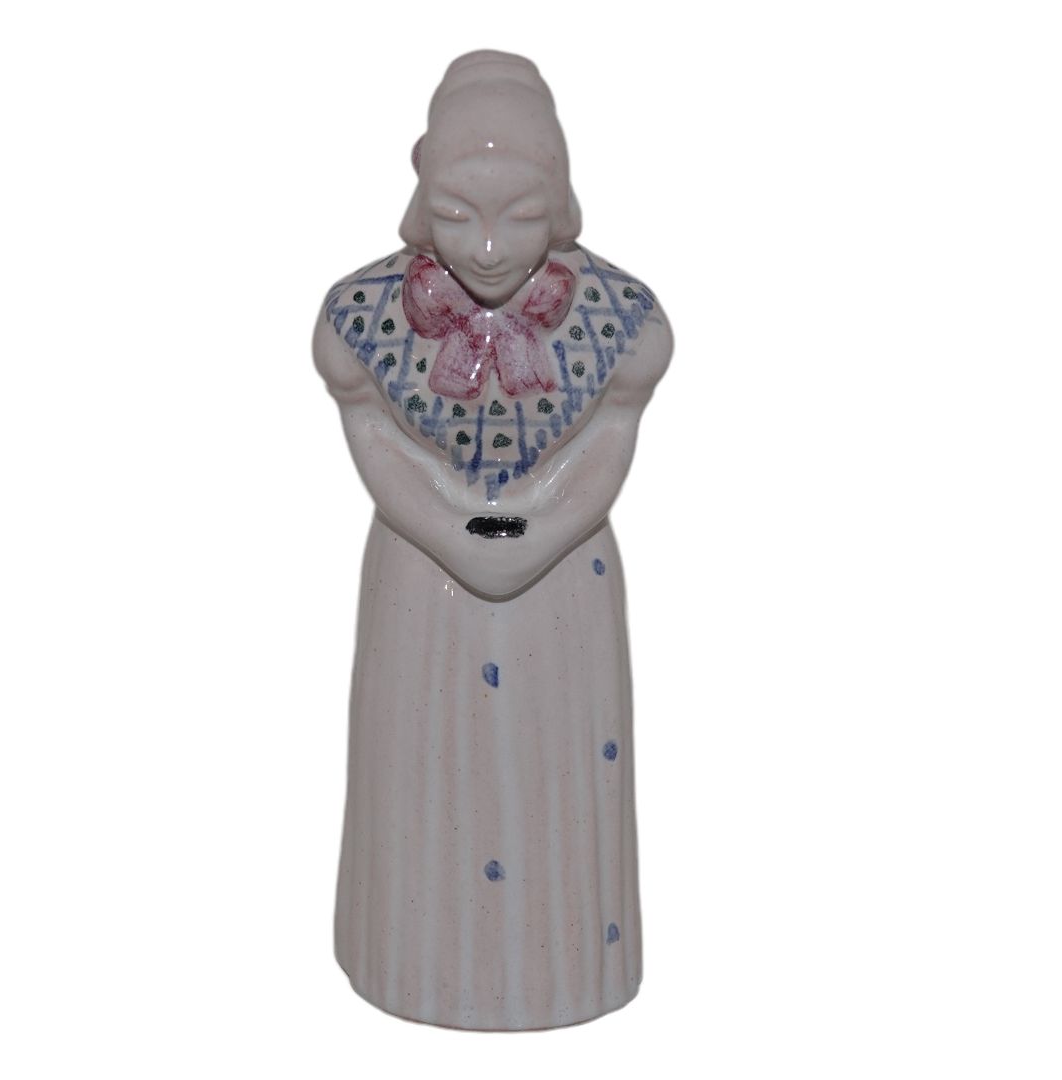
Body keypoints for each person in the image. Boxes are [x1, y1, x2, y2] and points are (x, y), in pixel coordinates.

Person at [312, 50, 673, 1030]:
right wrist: (462, 534)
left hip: (562, 578)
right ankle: (414, 965)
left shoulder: (619, 322)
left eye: (519, 216)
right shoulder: (362, 319)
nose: (484, 249)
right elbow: (377, 439)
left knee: (552, 776)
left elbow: (604, 446)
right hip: (423, 575)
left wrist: (525, 532)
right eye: (457, 212)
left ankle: (561, 975)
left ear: (561, 200)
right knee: (426, 770)